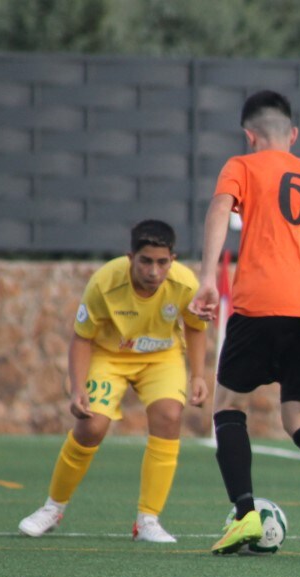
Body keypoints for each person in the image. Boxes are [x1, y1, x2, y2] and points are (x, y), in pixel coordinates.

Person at [189, 90, 300, 558]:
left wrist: (207, 278)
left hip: (259, 303)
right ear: (293, 134)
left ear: (249, 135)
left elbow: (218, 208)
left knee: (229, 404)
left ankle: (245, 514)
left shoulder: (242, 166)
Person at [19, 220, 208, 543]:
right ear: (130, 256)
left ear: (173, 259)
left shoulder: (185, 284)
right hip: (109, 357)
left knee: (169, 416)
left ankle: (148, 520)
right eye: (146, 261)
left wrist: (199, 374)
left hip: (160, 358)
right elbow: (81, 339)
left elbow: (194, 325)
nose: (154, 271)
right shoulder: (104, 283)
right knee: (91, 427)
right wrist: (78, 388)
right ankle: (53, 508)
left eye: (163, 262)